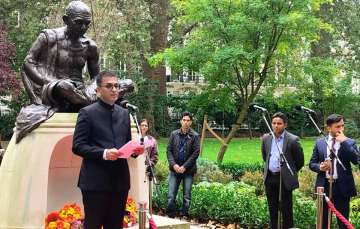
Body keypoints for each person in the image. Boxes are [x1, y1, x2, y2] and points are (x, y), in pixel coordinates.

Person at [72, 70, 141, 229]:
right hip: (95, 182)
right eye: (109, 86)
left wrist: (135, 151)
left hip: (120, 182)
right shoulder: (87, 113)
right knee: (93, 225)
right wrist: (104, 153)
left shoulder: (124, 114)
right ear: (98, 90)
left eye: (116, 86)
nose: (114, 89)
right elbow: (78, 146)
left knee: (115, 225)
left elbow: (126, 143)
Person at [309, 114, 359, 229]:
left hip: (342, 187)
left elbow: (356, 160)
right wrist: (320, 167)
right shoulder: (320, 142)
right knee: (323, 220)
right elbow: (312, 163)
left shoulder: (349, 142)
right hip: (324, 185)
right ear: (328, 128)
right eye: (337, 127)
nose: (341, 129)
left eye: (342, 126)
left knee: (343, 221)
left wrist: (344, 142)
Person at [261, 112, 304, 229]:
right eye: (274, 123)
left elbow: (299, 161)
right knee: (272, 208)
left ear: (285, 125)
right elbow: (265, 157)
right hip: (270, 177)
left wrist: (287, 172)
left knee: (286, 208)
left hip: (284, 179)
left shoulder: (293, 140)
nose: (276, 126)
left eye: (279, 123)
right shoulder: (266, 138)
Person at [166, 111, 200, 218]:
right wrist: (174, 165)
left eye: (188, 120)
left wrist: (184, 167)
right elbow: (169, 150)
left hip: (188, 171)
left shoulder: (195, 136)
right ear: (181, 121)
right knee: (171, 195)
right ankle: (171, 214)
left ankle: (184, 214)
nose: (185, 122)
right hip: (174, 169)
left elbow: (195, 153)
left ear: (191, 122)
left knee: (187, 196)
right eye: (184, 120)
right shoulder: (174, 134)